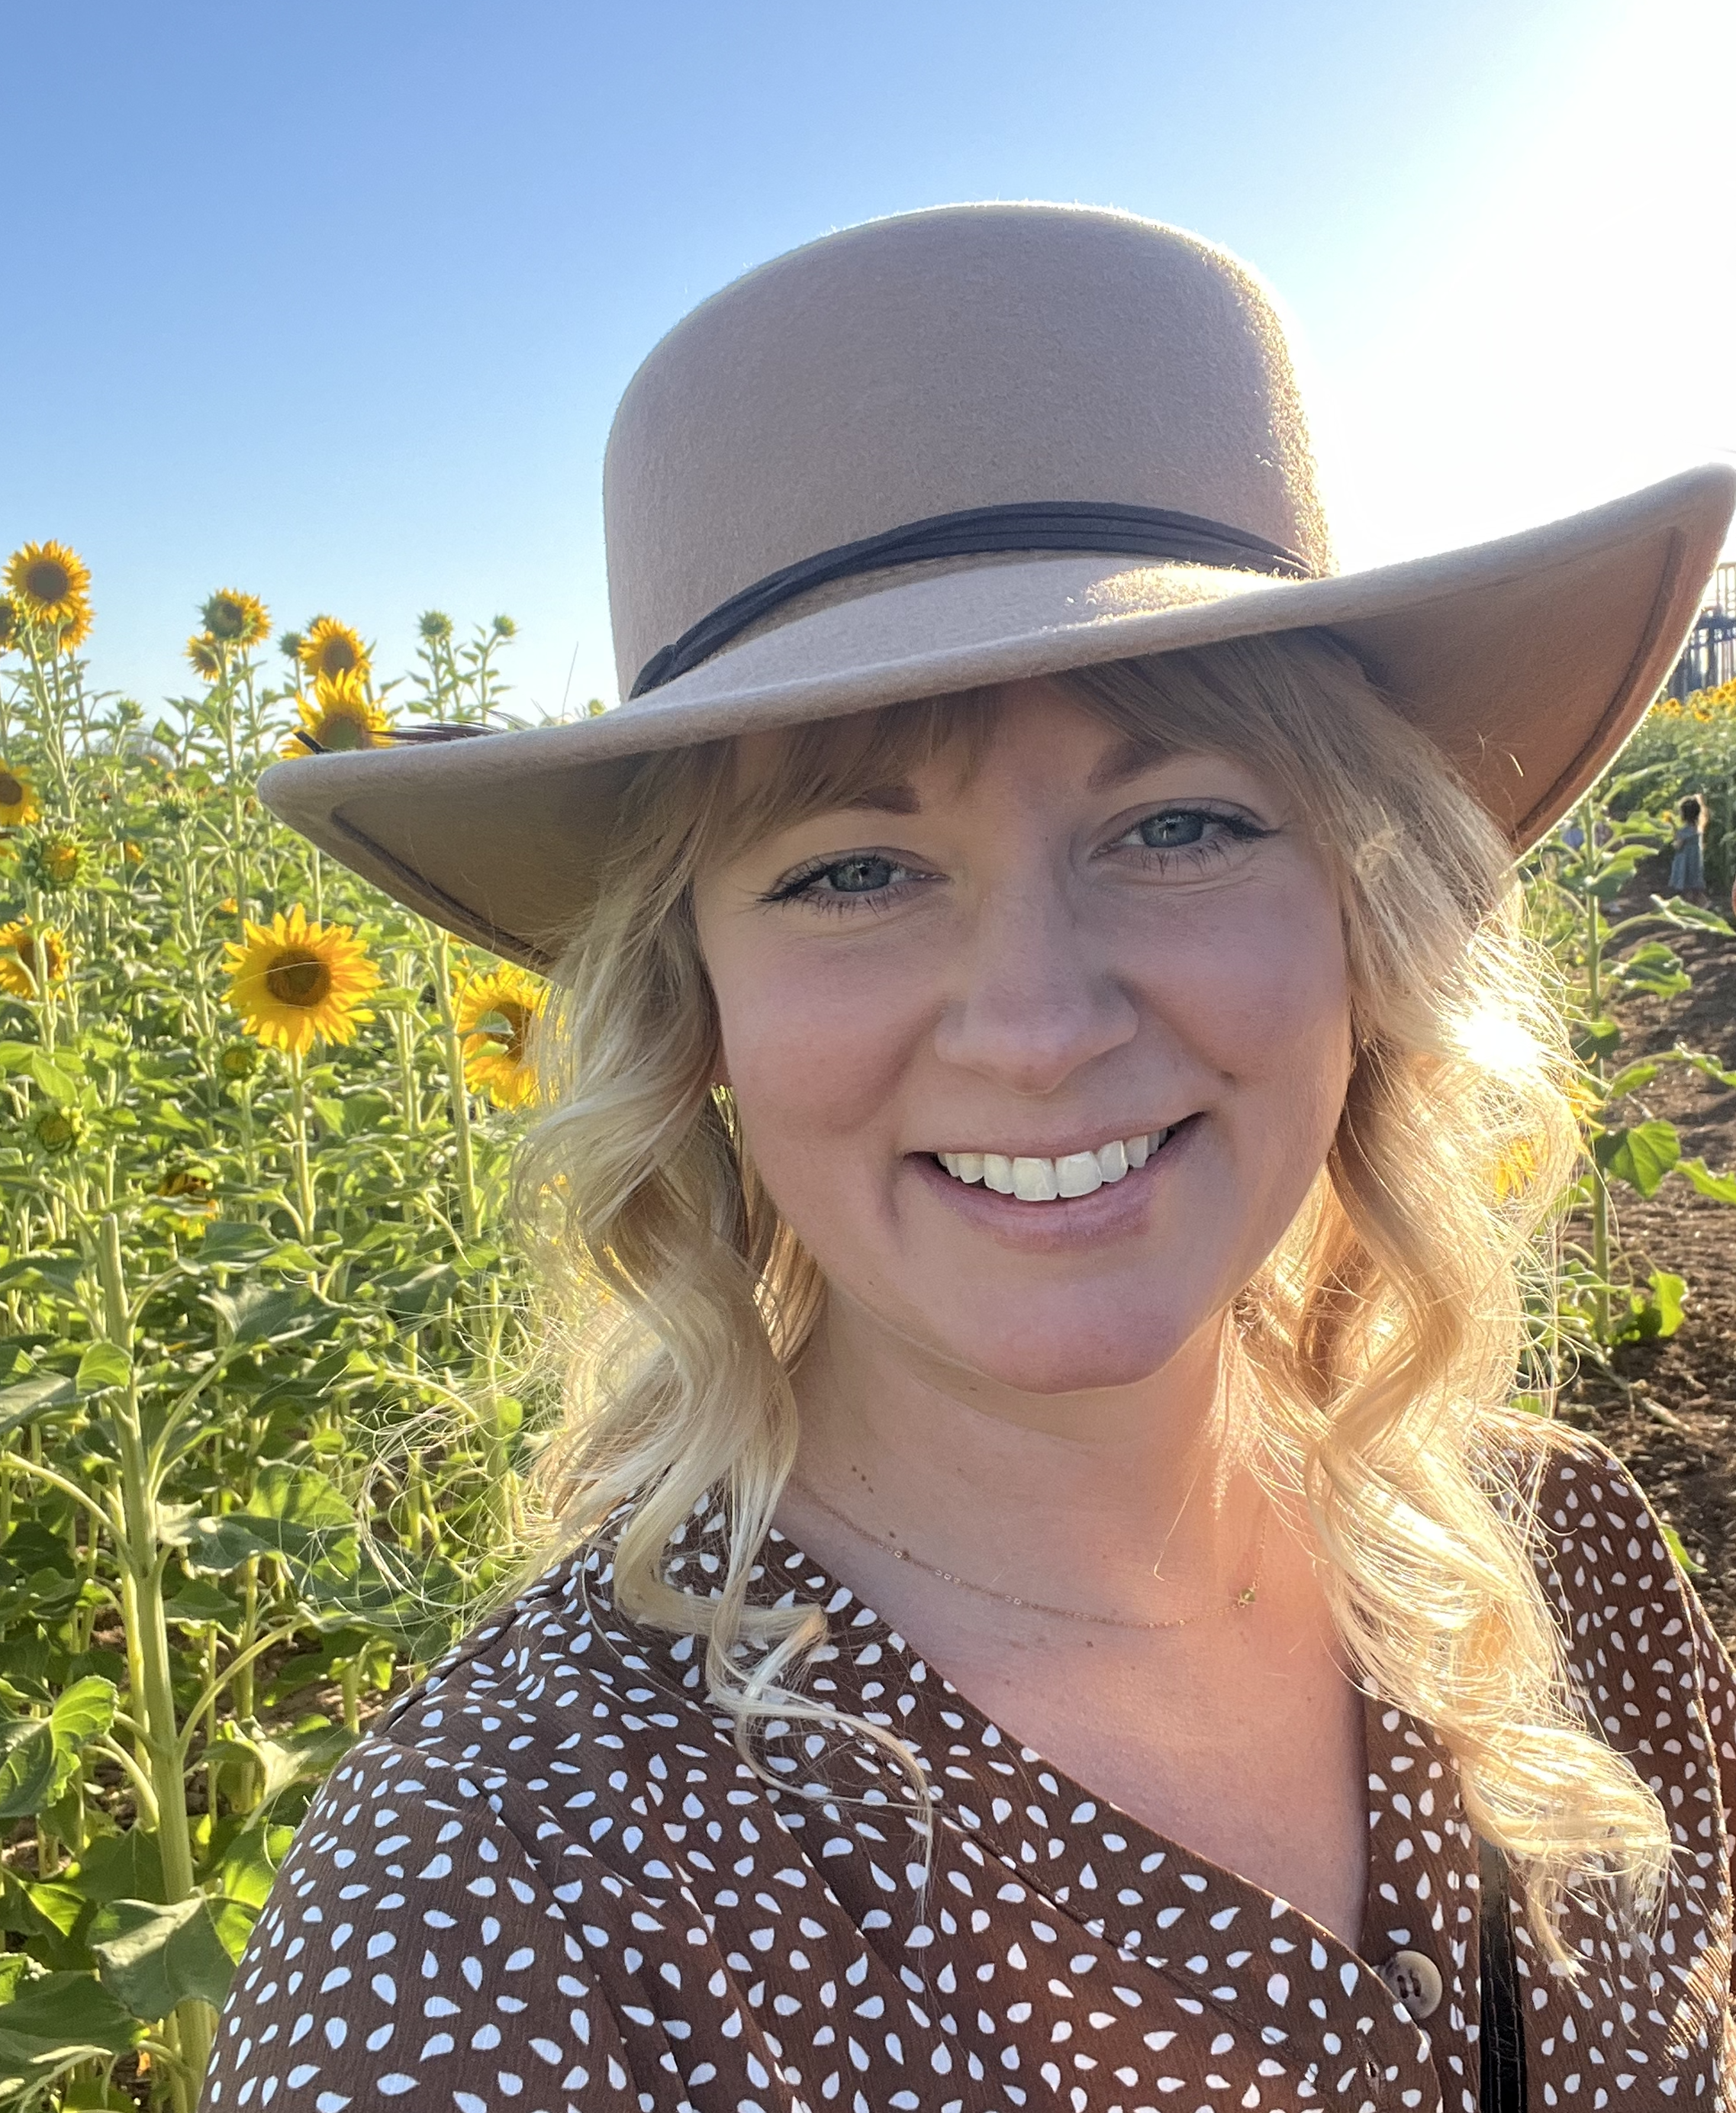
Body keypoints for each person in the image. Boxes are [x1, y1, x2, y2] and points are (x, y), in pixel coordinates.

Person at [207, 207, 1736, 2113]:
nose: (1034, 1020)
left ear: (1370, 916)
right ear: (696, 1019)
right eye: (853, 870)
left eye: (1179, 825)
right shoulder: (507, 1916)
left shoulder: (1560, 1562)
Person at [1670, 794, 1710, 904]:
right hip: (1695, 861)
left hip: (1685, 861)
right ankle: (1704, 903)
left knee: (1686, 886)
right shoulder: (1698, 828)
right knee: (1694, 885)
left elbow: (1678, 845)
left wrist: (1673, 843)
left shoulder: (1685, 831)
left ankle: (1690, 906)